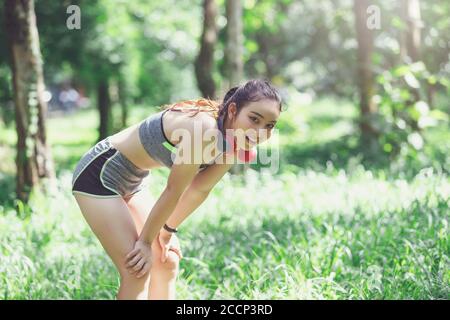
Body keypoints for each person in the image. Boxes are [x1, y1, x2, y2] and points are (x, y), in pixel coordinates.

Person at [71, 79, 283, 299]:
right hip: (99, 174)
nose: (260, 131)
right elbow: (174, 190)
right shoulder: (204, 129)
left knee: (166, 259)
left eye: (269, 125)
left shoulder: (235, 141)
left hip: (134, 181)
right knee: (136, 271)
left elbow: (199, 190)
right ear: (232, 110)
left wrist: (166, 231)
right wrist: (144, 242)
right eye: (254, 119)